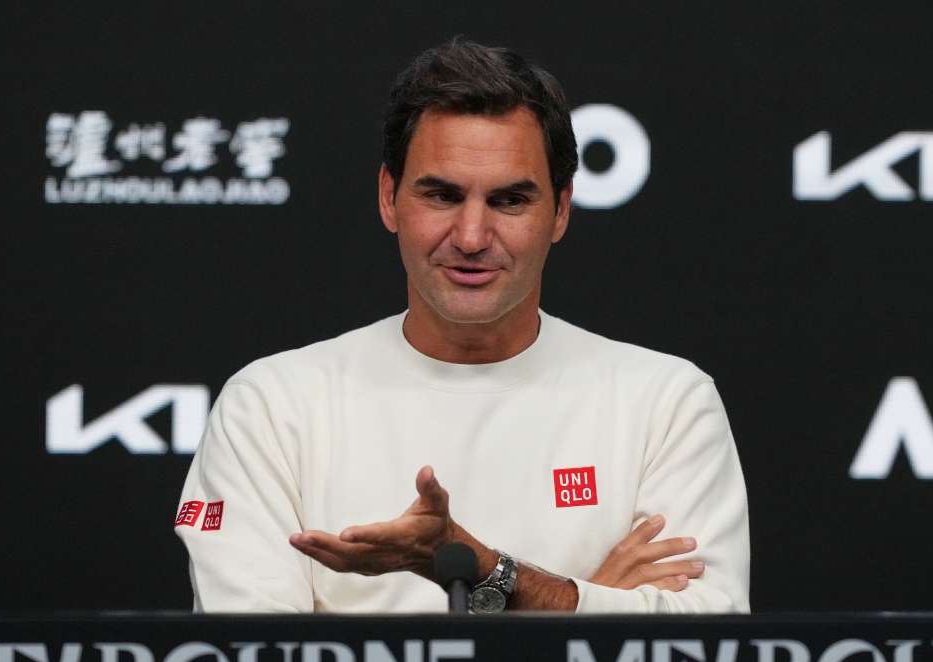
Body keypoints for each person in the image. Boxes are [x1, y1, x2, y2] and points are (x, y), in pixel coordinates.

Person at [174, 38, 750, 614]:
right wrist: (579, 610)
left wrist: (486, 571)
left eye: (508, 201)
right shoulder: (271, 406)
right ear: (388, 197)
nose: (472, 237)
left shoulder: (666, 402)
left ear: (562, 210)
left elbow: (701, 656)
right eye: (443, 195)